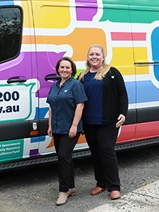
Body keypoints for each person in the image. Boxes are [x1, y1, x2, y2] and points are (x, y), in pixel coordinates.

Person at [78, 45, 128, 200]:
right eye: (91, 54)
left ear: (103, 56)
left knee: (107, 151)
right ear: (87, 57)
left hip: (108, 121)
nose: (94, 56)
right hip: (89, 122)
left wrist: (123, 113)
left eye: (97, 54)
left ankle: (114, 186)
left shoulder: (112, 72)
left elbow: (122, 94)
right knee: (96, 153)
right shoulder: (82, 76)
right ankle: (101, 183)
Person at [47, 56, 88, 206]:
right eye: (62, 67)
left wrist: (74, 126)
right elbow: (51, 106)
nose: (64, 70)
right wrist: (50, 125)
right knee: (65, 157)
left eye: (67, 67)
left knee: (63, 157)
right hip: (57, 127)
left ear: (72, 70)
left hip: (70, 128)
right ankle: (71, 187)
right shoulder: (54, 86)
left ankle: (63, 191)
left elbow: (80, 105)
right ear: (58, 69)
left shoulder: (75, 85)